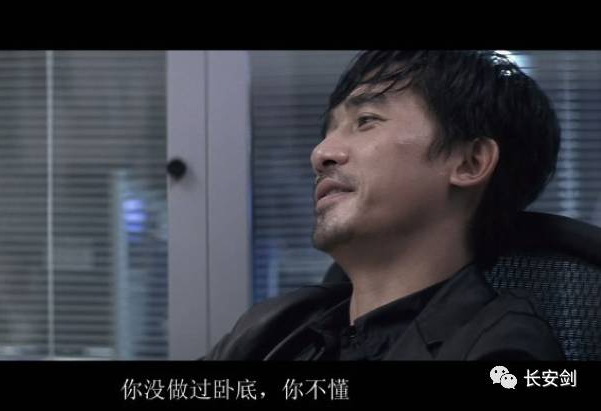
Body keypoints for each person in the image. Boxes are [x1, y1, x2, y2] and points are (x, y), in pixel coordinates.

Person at [203, 50, 566, 361]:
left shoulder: (503, 350)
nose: (321, 153)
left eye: (366, 121)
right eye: (329, 131)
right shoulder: (276, 326)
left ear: (469, 163)